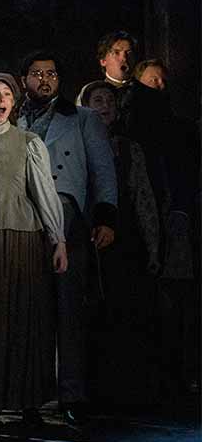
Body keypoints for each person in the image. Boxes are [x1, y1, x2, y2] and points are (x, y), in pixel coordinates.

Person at [16, 51, 117, 423]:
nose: (45, 80)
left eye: (51, 74)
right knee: (31, 309)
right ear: (24, 79)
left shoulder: (83, 118)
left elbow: (103, 170)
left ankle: (72, 393)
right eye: (37, 73)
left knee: (69, 307)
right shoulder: (13, 117)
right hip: (24, 218)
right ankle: (31, 396)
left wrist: (105, 217)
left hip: (68, 216)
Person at [0, 73, 66, 429]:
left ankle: (28, 401)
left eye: (7, 94)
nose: (1, 99)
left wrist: (58, 239)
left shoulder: (28, 141)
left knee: (25, 316)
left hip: (23, 235)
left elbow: (43, 192)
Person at [76, 80, 163, 405]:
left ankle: (128, 390)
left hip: (125, 241)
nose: (104, 106)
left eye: (109, 101)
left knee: (127, 313)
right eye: (97, 100)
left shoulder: (129, 148)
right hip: (86, 236)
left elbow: (143, 197)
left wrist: (153, 247)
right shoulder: (76, 143)